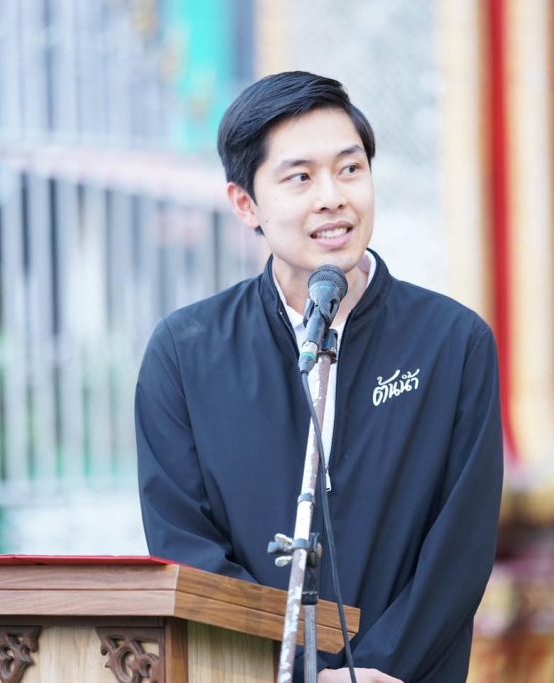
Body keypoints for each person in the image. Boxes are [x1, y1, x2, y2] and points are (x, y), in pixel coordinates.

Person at [135, 71, 503, 683]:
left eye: (349, 169)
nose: (332, 197)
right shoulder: (185, 353)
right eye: (300, 177)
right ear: (245, 204)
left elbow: (459, 548)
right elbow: (185, 546)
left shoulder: (454, 343)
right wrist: (297, 673)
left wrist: (368, 671)